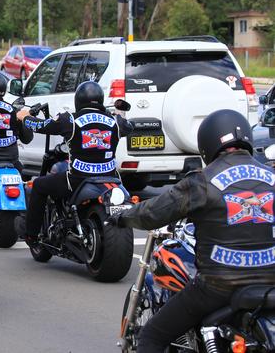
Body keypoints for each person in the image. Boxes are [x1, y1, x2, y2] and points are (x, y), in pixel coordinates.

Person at [108, 109, 275, 353]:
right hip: (271, 281)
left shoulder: (202, 181)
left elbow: (153, 212)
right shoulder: (271, 176)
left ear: (207, 143)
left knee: (152, 336)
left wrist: (121, 217)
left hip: (219, 286)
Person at [16, 81, 133, 245]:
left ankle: (31, 235)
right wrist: (117, 113)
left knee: (39, 185)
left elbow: (41, 126)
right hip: (110, 178)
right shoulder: (115, 122)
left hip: (77, 179)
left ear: (78, 100)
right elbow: (130, 126)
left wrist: (25, 117)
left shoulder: (70, 120)